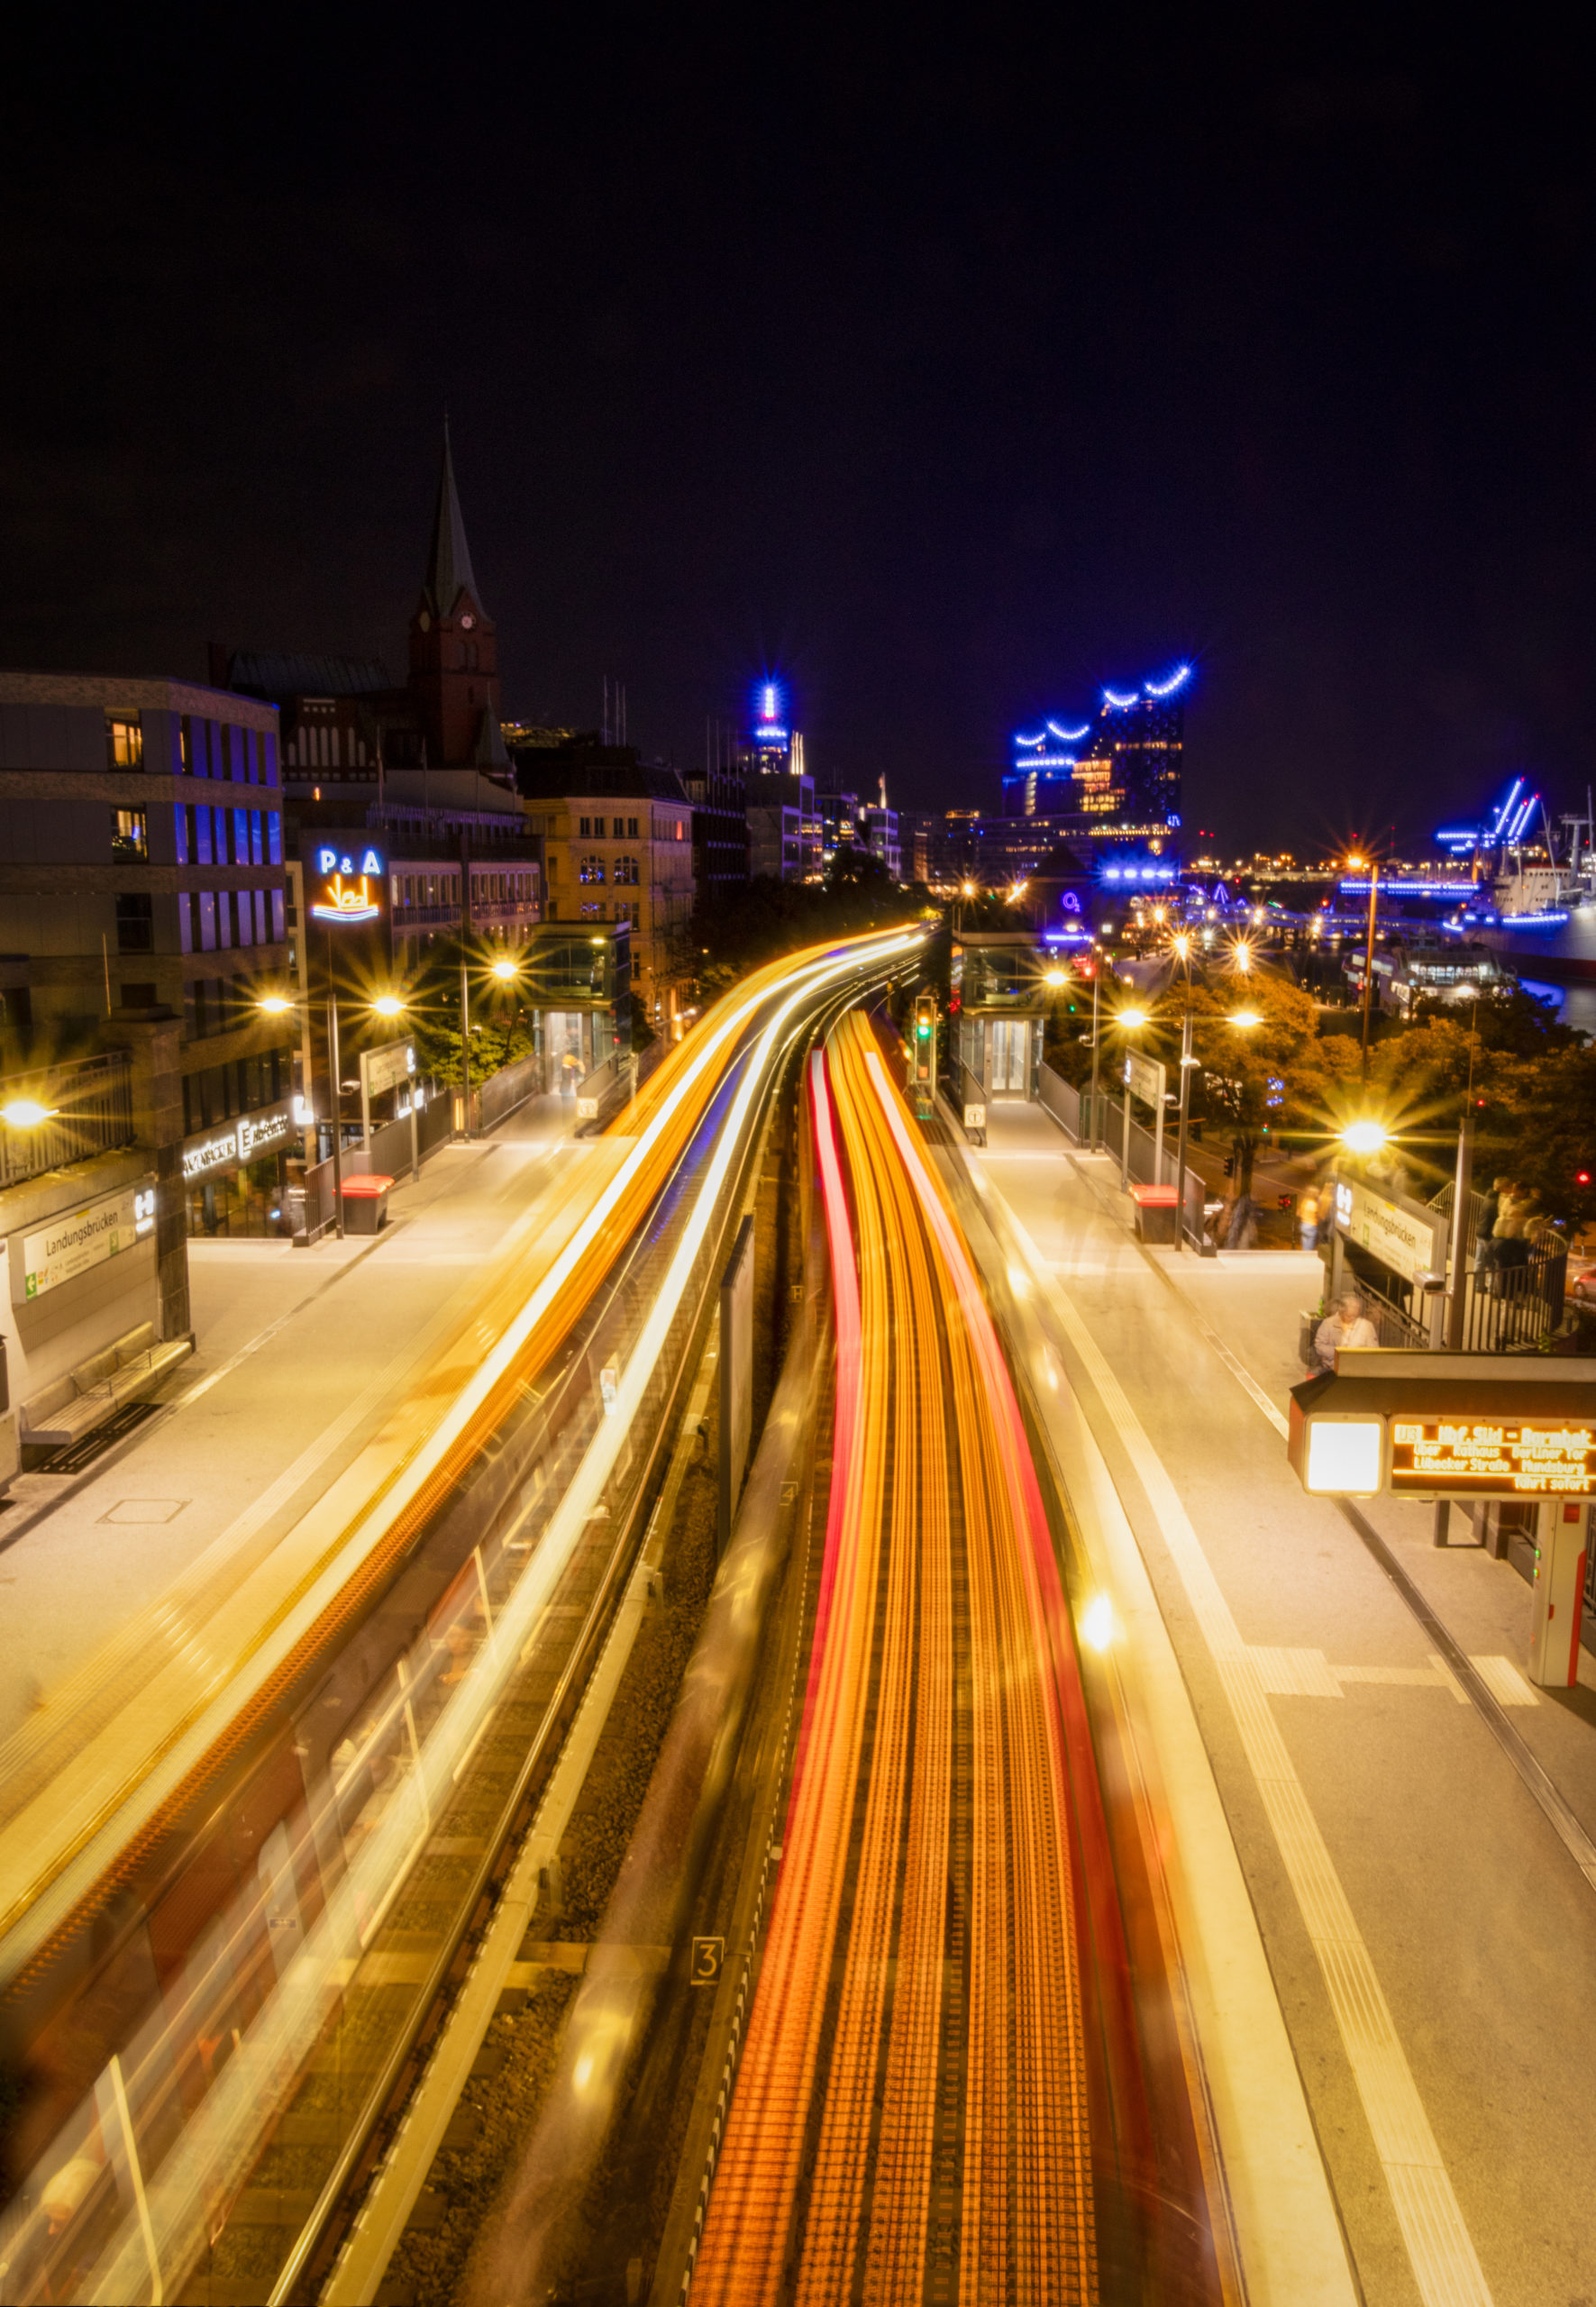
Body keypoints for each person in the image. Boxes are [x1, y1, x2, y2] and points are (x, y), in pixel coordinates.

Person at [1313, 1291, 1380, 1371]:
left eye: (1354, 1316)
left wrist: (1357, 1356)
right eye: (1348, 1316)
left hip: (1358, 1369)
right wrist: (1339, 1353)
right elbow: (1319, 1345)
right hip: (1332, 1368)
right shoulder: (1328, 1323)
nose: (1351, 1318)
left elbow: (1374, 1350)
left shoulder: (1366, 1325)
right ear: (1341, 1312)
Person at [1296, 1184, 1320, 1253]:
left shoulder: (1304, 1202)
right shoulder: (1314, 1204)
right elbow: (1318, 1215)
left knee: (1305, 1246)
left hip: (1304, 1225)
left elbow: (1298, 1213)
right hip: (1311, 1226)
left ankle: (1304, 1256)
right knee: (1309, 1248)